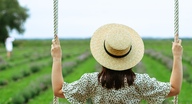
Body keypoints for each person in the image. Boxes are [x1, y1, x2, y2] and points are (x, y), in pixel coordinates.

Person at [51, 23, 183, 103]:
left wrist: (57, 58)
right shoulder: (140, 82)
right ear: (131, 56)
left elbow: (58, 90)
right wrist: (177, 56)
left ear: (103, 55)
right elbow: (174, 89)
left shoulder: (91, 81)